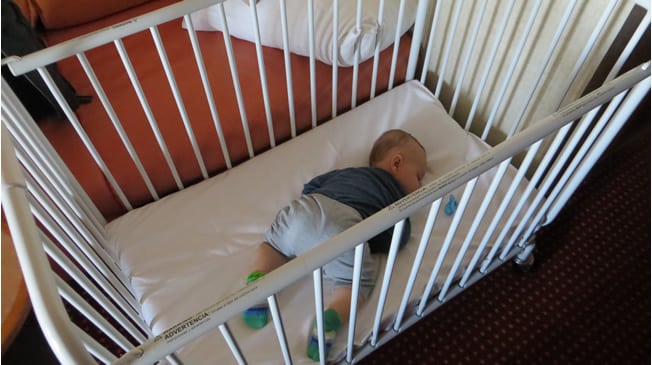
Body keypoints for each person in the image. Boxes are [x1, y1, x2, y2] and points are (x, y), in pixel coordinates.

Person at [241, 129, 427, 361]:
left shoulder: (347, 173)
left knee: (272, 245)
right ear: (397, 163)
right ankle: (330, 320)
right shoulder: (393, 194)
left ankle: (256, 287)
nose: (420, 186)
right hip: (341, 226)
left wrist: (313, 210)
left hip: (304, 210)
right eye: (418, 176)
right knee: (358, 282)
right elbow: (395, 238)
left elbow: (311, 185)